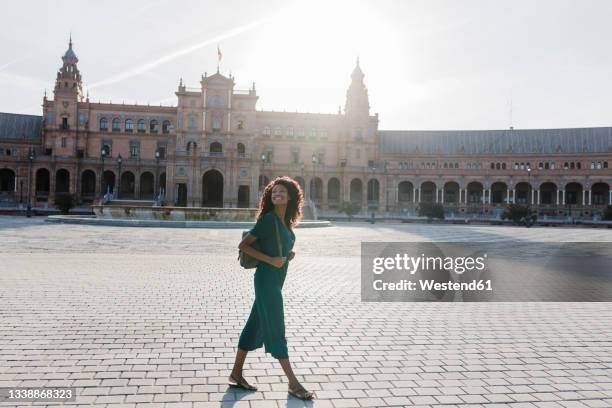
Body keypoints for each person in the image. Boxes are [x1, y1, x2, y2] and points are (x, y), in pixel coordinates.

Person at [231, 176, 315, 400]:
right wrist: (271, 260)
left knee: (253, 326)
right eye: (274, 192)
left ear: (290, 197)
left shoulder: (285, 222)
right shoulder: (268, 220)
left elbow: (277, 249)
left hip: (276, 279)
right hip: (267, 280)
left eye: (282, 192)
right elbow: (243, 245)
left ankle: (236, 374)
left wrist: (287, 255)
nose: (277, 195)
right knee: (277, 328)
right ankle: (293, 384)